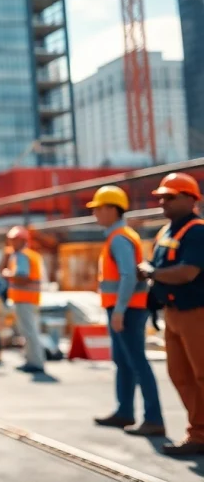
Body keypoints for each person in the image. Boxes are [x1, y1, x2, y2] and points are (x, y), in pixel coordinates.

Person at [85, 185, 164, 437]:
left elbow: (128, 276)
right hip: (124, 309)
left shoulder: (119, 238)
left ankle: (153, 418)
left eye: (98, 208)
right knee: (123, 361)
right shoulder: (118, 236)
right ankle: (125, 412)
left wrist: (118, 311)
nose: (95, 213)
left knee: (137, 362)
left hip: (127, 310)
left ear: (111, 209)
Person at [139, 173, 204, 455]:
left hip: (197, 313)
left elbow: (188, 272)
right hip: (173, 314)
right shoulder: (166, 232)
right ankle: (199, 430)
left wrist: (153, 273)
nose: (163, 202)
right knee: (180, 374)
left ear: (191, 199)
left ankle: (199, 434)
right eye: (161, 197)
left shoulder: (197, 231)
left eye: (170, 197)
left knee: (202, 375)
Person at [0, 226, 46, 374]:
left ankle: (35, 363)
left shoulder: (22, 256)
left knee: (29, 332)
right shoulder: (29, 255)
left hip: (25, 299)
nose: (11, 243)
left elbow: (22, 277)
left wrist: (8, 274)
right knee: (30, 331)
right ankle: (31, 360)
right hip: (29, 299)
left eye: (14, 240)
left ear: (22, 240)